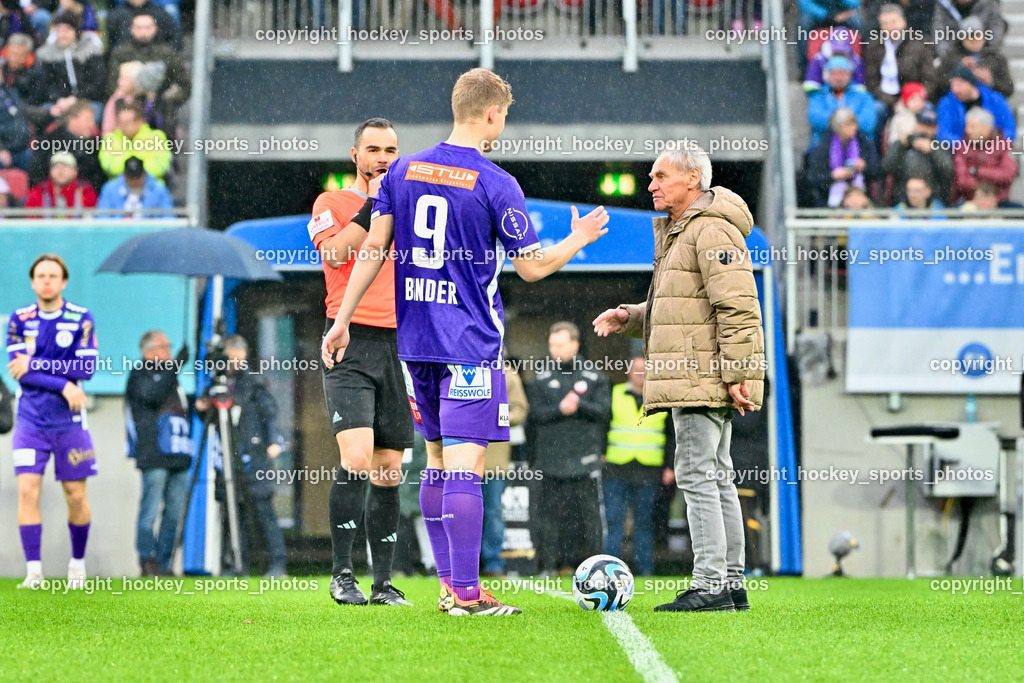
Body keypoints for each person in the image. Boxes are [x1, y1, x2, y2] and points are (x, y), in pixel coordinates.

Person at [322, 67, 609, 616]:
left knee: (434, 461)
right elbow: (531, 268)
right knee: (466, 466)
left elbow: (372, 249)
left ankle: (451, 588)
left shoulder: (402, 171)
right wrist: (577, 237)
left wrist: (344, 319)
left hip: (414, 343)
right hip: (470, 345)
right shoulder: (496, 183)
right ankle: (468, 593)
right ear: (493, 115)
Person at [593, 143, 764, 612]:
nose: (650, 185)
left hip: (702, 376)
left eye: (660, 176)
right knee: (717, 477)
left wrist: (737, 373)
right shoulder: (686, 231)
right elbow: (680, 310)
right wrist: (630, 315)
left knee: (697, 476)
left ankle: (710, 584)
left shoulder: (708, 231)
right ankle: (729, 583)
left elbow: (739, 308)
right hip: (702, 373)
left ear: (692, 179)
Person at [309, 117, 413, 607]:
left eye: (391, 150)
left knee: (389, 469)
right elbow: (333, 254)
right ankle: (342, 573)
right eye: (373, 149)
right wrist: (376, 204)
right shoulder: (332, 203)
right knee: (355, 458)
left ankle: (384, 582)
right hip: (349, 340)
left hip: (402, 345)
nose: (382, 158)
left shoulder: (411, 209)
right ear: (355, 155)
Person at [6, 253, 99, 589]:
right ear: (33, 282)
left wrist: (36, 365)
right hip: (30, 422)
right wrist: (63, 383)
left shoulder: (80, 318)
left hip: (70, 423)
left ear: (63, 282)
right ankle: (34, 572)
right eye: (41, 276)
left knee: (75, 495)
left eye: (53, 276)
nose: (46, 281)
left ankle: (77, 565)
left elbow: (85, 370)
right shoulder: (19, 319)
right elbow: (20, 373)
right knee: (28, 492)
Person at [195, 336, 287, 577]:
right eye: (231, 354)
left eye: (239, 354)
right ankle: (236, 563)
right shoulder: (217, 384)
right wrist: (201, 408)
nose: (235, 360)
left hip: (254, 454)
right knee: (233, 511)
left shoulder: (254, 381)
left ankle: (278, 564)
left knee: (264, 510)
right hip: (228, 456)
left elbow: (270, 412)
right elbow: (208, 418)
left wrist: (273, 440)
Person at [526, 321, 610, 577]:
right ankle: (548, 566)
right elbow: (534, 414)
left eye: (560, 344)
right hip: (550, 459)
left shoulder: (595, 377)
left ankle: (594, 569)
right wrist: (558, 410)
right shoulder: (540, 377)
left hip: (585, 459)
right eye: (552, 345)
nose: (555, 350)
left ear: (575, 344)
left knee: (589, 518)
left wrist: (580, 405)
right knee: (548, 516)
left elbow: (605, 412)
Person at [125, 329, 191, 577]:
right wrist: (176, 367)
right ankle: (147, 560)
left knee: (173, 513)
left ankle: (165, 563)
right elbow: (152, 395)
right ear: (149, 351)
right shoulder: (140, 374)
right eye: (164, 347)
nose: (169, 352)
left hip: (177, 456)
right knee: (149, 511)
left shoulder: (170, 377)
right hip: (154, 456)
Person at [603, 350, 674, 577]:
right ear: (629, 372)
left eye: (645, 370)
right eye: (636, 369)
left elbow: (672, 435)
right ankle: (607, 570)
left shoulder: (662, 398)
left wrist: (670, 466)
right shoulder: (613, 394)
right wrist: (600, 452)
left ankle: (645, 570)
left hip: (649, 470)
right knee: (614, 521)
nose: (640, 374)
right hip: (616, 468)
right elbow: (601, 425)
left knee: (645, 522)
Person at [481, 359, 528, 577]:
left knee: (492, 512)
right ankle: (463, 562)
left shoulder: (507, 374)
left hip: (493, 461)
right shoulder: (461, 366)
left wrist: (500, 418)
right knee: (460, 511)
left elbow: (520, 409)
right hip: (461, 458)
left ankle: (492, 563)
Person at [804, 107, 882, 208]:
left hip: (861, 195)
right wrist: (833, 176)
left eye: (854, 124)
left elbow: (877, 171)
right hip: (829, 198)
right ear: (837, 127)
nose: (852, 128)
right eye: (848, 125)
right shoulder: (824, 147)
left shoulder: (864, 143)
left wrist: (864, 167)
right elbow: (813, 178)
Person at [883, 105, 953, 205]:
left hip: (933, 200)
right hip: (904, 199)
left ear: (936, 129)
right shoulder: (903, 143)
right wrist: (900, 145)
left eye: (929, 126)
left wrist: (932, 151)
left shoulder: (941, 146)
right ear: (916, 125)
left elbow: (948, 171)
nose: (924, 130)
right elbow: (886, 168)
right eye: (922, 125)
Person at [934, 16, 1013, 100]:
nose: (974, 40)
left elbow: (1008, 89)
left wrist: (991, 81)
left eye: (978, 36)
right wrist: (958, 73)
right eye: (970, 36)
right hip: (957, 103)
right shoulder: (951, 57)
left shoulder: (995, 57)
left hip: (989, 104)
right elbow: (937, 87)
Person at [951, 106, 1018, 204]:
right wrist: (982, 191)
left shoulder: (1004, 146)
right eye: (967, 126)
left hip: (999, 201)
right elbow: (961, 180)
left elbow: (1008, 175)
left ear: (986, 128)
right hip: (969, 200)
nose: (968, 130)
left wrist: (977, 171)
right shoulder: (961, 148)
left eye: (972, 126)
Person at [936, 64, 1015, 145]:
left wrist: (993, 145)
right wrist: (966, 146)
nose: (955, 89)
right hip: (960, 153)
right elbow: (944, 134)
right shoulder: (946, 103)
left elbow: (1009, 129)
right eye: (952, 85)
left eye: (959, 84)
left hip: (993, 149)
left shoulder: (996, 100)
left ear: (970, 83)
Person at [98, 99, 171, 180]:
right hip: (119, 189)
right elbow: (109, 166)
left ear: (140, 122)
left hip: (150, 189)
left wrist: (130, 166)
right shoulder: (110, 139)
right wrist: (137, 165)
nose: (122, 126)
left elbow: (161, 166)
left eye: (126, 123)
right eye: (120, 122)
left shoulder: (156, 137)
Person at [24, 150, 97, 216]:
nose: (60, 170)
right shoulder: (38, 193)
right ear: (50, 171)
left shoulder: (86, 193)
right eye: (56, 166)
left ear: (75, 172)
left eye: (65, 166)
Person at [96, 155, 173, 216]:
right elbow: (102, 218)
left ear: (144, 174)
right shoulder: (110, 189)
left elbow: (168, 217)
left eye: (137, 176)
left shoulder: (159, 190)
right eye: (131, 177)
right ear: (124, 175)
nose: (134, 181)